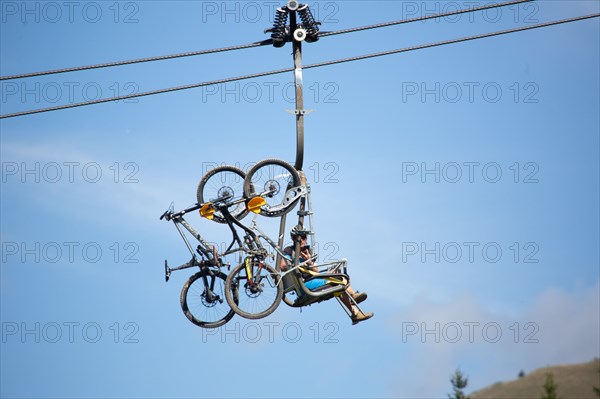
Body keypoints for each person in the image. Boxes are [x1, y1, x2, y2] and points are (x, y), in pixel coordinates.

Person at [280, 226, 374, 325]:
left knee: (338, 282)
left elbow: (316, 271)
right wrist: (298, 260)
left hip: (313, 279)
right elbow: (282, 266)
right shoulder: (290, 250)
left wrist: (309, 261)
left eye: (304, 237)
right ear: (293, 239)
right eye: (299, 238)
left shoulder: (307, 251)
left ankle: (355, 312)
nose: (303, 240)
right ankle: (353, 297)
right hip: (305, 285)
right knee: (337, 279)